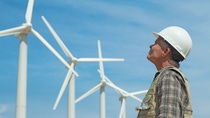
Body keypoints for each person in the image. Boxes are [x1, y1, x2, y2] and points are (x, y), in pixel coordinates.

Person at [137, 26, 193, 118]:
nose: (151, 46)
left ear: (165, 51)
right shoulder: (166, 76)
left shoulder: (169, 77)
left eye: (156, 43)